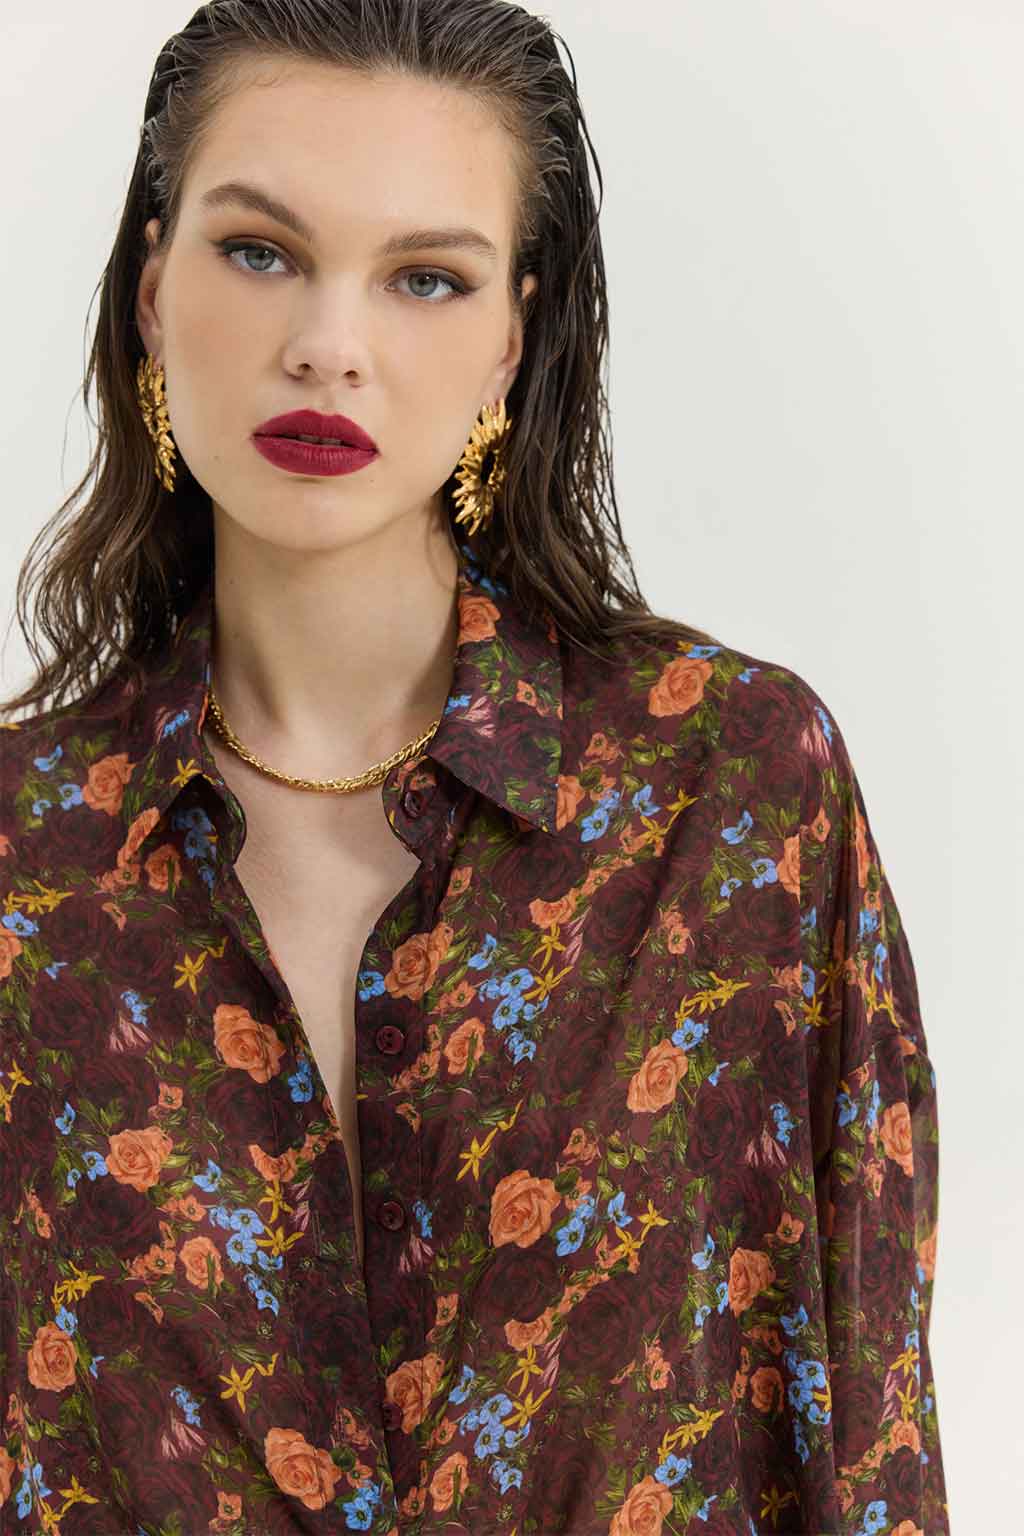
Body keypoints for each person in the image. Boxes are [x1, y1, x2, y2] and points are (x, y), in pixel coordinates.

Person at [0, 2, 948, 1532]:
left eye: (424, 277)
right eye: (261, 252)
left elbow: (871, 1444)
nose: (330, 343)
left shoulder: (735, 797)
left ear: (512, 335)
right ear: (154, 291)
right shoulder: (21, 861)